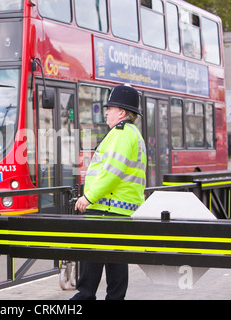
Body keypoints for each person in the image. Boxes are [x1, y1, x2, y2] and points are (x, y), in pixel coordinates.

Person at [71, 84, 147, 300]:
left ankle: (82, 299)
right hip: (121, 210)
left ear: (121, 112)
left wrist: (89, 197)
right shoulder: (133, 134)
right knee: (116, 263)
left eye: (110, 108)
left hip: (107, 207)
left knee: (91, 258)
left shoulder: (121, 134)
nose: (106, 111)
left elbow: (112, 171)